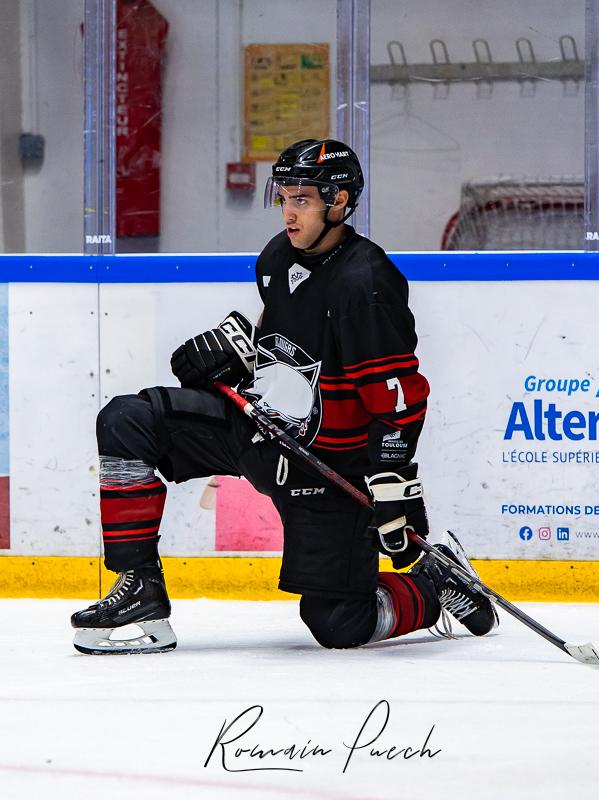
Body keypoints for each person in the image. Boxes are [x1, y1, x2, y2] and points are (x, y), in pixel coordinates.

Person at [71, 138, 498, 655]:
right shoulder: (276, 257)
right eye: (284, 198)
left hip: (328, 467)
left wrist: (393, 482)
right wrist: (233, 356)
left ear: (339, 202)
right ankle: (140, 589)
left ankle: (436, 583)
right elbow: (285, 344)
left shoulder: (365, 283)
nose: (288, 212)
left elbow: (399, 396)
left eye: (303, 200)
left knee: (339, 623)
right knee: (127, 419)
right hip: (259, 432)